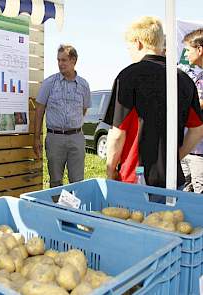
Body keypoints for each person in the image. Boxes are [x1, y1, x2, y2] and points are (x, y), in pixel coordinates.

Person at [104, 16, 203, 190]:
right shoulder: (183, 79)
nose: (129, 51)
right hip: (172, 179)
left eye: (129, 47)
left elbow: (117, 133)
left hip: (135, 180)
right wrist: (175, 158)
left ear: (138, 42)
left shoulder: (128, 76)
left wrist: (110, 170)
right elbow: (197, 130)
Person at [33, 44, 91, 187]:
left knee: (77, 181)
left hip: (76, 138)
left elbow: (83, 110)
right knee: (55, 181)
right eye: (58, 60)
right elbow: (39, 111)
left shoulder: (83, 85)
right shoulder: (49, 83)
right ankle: (55, 208)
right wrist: (36, 138)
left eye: (64, 60)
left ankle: (74, 209)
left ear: (74, 61)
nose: (60, 64)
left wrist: (72, 125)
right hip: (55, 138)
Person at [180, 29, 203, 193]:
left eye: (188, 49)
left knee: (199, 193)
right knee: (185, 192)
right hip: (189, 148)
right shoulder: (198, 76)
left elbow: (198, 104)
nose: (186, 54)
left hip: (199, 152)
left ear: (200, 50)